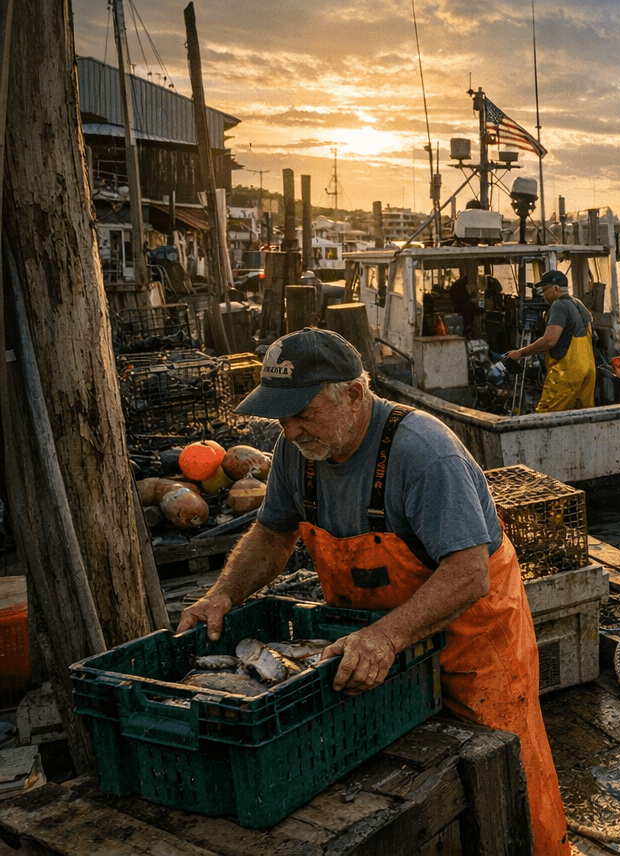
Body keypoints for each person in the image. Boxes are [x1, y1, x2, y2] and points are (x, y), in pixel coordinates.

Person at [177, 328, 568, 856]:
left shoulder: (425, 452)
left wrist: (386, 638)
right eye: (281, 417)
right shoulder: (299, 451)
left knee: (504, 774)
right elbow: (272, 534)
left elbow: (468, 573)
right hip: (375, 647)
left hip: (472, 647)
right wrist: (223, 595)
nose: (289, 431)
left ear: (354, 395)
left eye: (303, 413)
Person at [502, 269, 595, 412]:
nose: (543, 295)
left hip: (567, 372)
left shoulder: (559, 306)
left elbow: (549, 341)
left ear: (555, 289)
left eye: (545, 290)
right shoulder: (578, 304)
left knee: (546, 415)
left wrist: (521, 353)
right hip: (588, 370)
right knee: (582, 414)